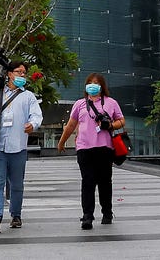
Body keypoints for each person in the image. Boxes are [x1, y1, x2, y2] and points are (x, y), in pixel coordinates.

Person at [0, 60, 43, 234]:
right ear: (9, 74)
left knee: (16, 185)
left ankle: (16, 215)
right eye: (18, 71)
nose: (22, 75)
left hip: (18, 148)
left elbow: (37, 116)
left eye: (24, 72)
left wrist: (32, 125)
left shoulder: (28, 96)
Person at [56, 72, 125, 230]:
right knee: (87, 182)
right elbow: (71, 125)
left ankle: (107, 212)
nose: (92, 85)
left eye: (96, 83)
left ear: (102, 87)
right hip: (84, 148)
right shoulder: (80, 104)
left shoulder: (111, 102)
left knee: (104, 182)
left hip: (104, 148)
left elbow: (121, 121)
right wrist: (61, 142)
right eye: (90, 82)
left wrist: (110, 125)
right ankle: (87, 216)